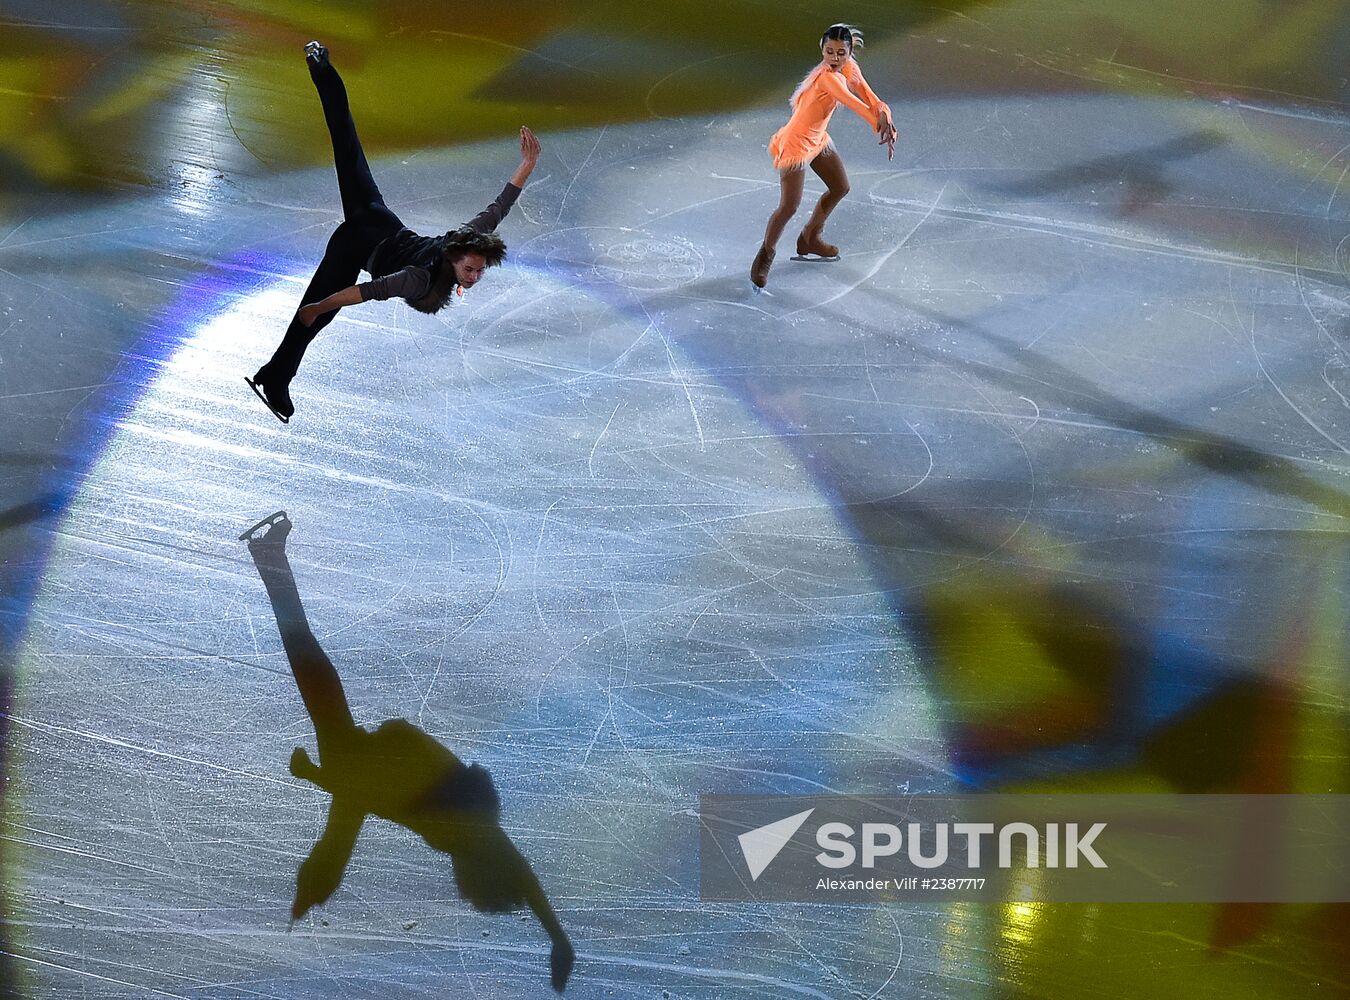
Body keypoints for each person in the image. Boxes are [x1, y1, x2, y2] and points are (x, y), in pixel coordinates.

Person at [240, 511, 576, 992]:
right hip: (367, 762)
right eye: (472, 893)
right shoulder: (469, 837)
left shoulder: (479, 837)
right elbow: (381, 804)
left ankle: (271, 559)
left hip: (371, 762)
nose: (462, 893)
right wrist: (313, 775)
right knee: (304, 655)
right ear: (482, 878)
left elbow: (376, 807)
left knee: (305, 656)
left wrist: (558, 938)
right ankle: (270, 559)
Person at [247, 41, 542, 422]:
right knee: (318, 314)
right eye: (471, 270)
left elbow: (499, 207)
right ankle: (276, 377)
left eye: (478, 271)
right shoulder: (418, 280)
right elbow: (370, 290)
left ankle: (318, 61)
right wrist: (318, 306)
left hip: (378, 216)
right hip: (356, 243)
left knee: (347, 142)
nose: (475, 276)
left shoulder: (467, 239)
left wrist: (528, 164)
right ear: (454, 259)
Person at [750, 24, 896, 291]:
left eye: (841, 53)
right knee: (789, 206)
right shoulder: (829, 79)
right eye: (829, 52)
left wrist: (885, 115)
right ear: (822, 49)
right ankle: (765, 255)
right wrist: (879, 124)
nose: (835, 58)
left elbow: (872, 100)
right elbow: (857, 105)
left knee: (840, 187)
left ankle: (810, 238)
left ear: (850, 52)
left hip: (817, 139)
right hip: (796, 142)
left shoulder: (850, 69)